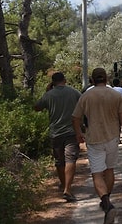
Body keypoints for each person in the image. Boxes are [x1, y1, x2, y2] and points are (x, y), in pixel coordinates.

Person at [72, 68, 122, 224]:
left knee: (97, 174)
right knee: (109, 170)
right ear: (106, 78)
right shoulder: (115, 95)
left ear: (92, 80)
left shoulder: (86, 96)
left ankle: (106, 202)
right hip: (112, 138)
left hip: (94, 139)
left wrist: (79, 133)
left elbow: (75, 117)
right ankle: (107, 200)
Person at [34, 72, 81, 202]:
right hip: (71, 131)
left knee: (60, 161)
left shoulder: (49, 95)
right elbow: (83, 103)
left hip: (55, 133)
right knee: (71, 159)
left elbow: (36, 107)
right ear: (64, 80)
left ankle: (63, 185)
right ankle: (67, 189)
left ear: (52, 82)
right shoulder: (73, 92)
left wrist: (47, 92)